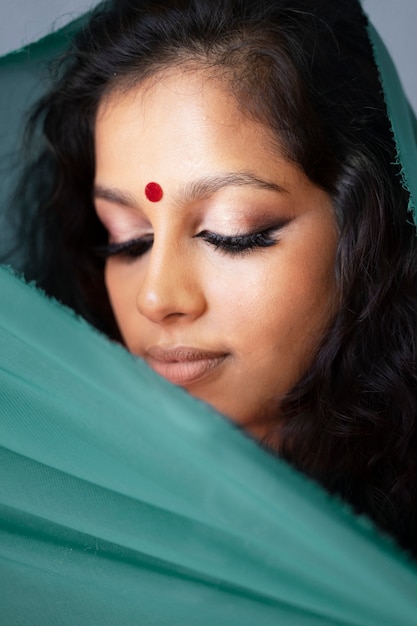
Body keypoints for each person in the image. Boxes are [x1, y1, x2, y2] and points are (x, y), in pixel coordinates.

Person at [5, 0, 417, 565]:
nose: (156, 298)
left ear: (369, 225)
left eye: (232, 234)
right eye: (126, 239)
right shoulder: (52, 523)